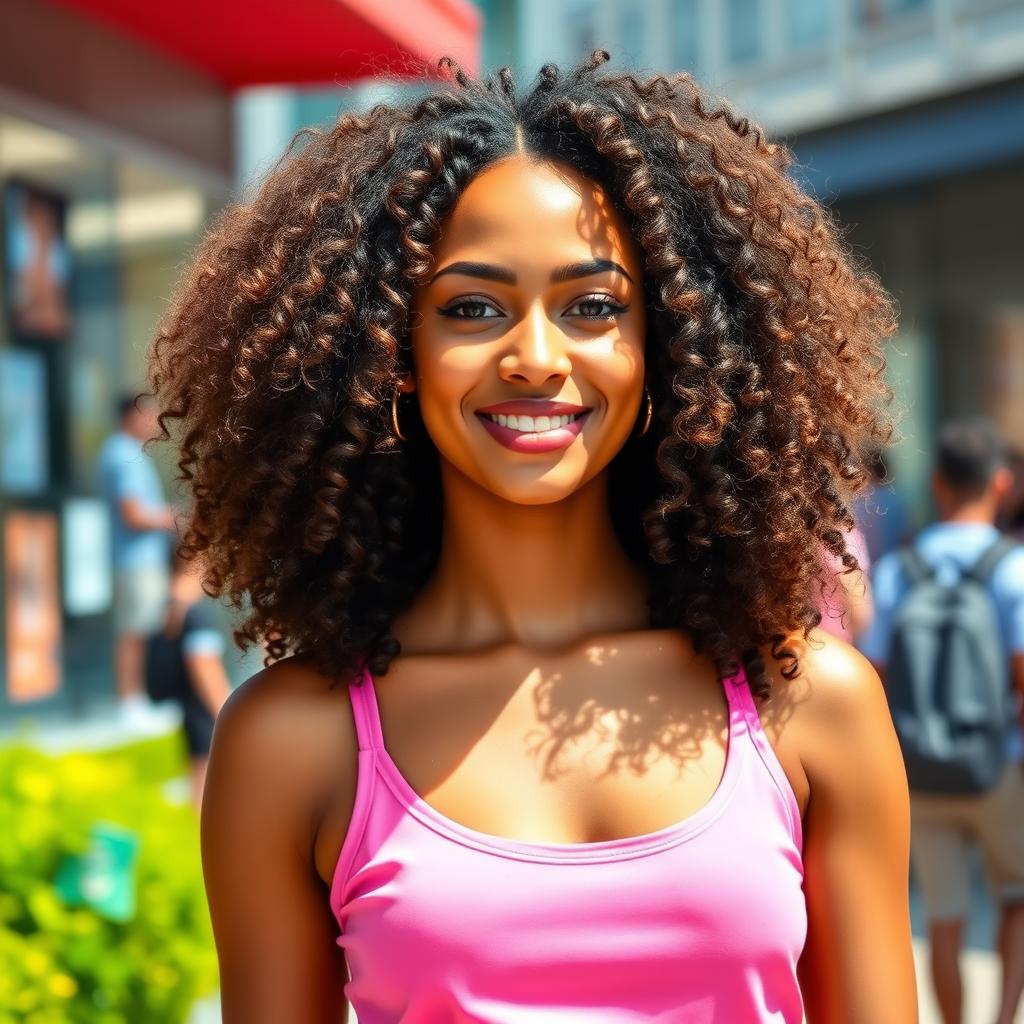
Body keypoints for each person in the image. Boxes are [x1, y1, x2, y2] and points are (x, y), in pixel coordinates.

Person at [151, 54, 916, 1022]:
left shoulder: (811, 705)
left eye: (593, 306)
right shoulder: (293, 744)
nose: (535, 358)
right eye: (471, 307)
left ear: (670, 346)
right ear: (389, 352)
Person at [861, 417, 1024, 1024]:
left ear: (937, 484)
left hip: (921, 767)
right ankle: (1004, 1018)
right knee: (1016, 899)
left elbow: (873, 672)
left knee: (942, 918)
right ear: (1002, 484)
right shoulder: (1013, 567)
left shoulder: (902, 569)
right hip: (999, 764)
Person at [98, 392, 177, 726]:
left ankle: (138, 698)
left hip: (141, 558)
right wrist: (171, 518)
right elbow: (132, 514)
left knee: (141, 628)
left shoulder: (127, 453)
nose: (153, 420)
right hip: (135, 560)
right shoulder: (123, 454)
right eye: (147, 413)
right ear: (130, 414)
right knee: (134, 630)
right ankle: (130, 701)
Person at [144, 544, 232, 809]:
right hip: (203, 710)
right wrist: (225, 711)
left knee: (198, 775)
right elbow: (204, 666)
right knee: (208, 780)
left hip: (188, 708)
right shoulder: (195, 613)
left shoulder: (169, 606)